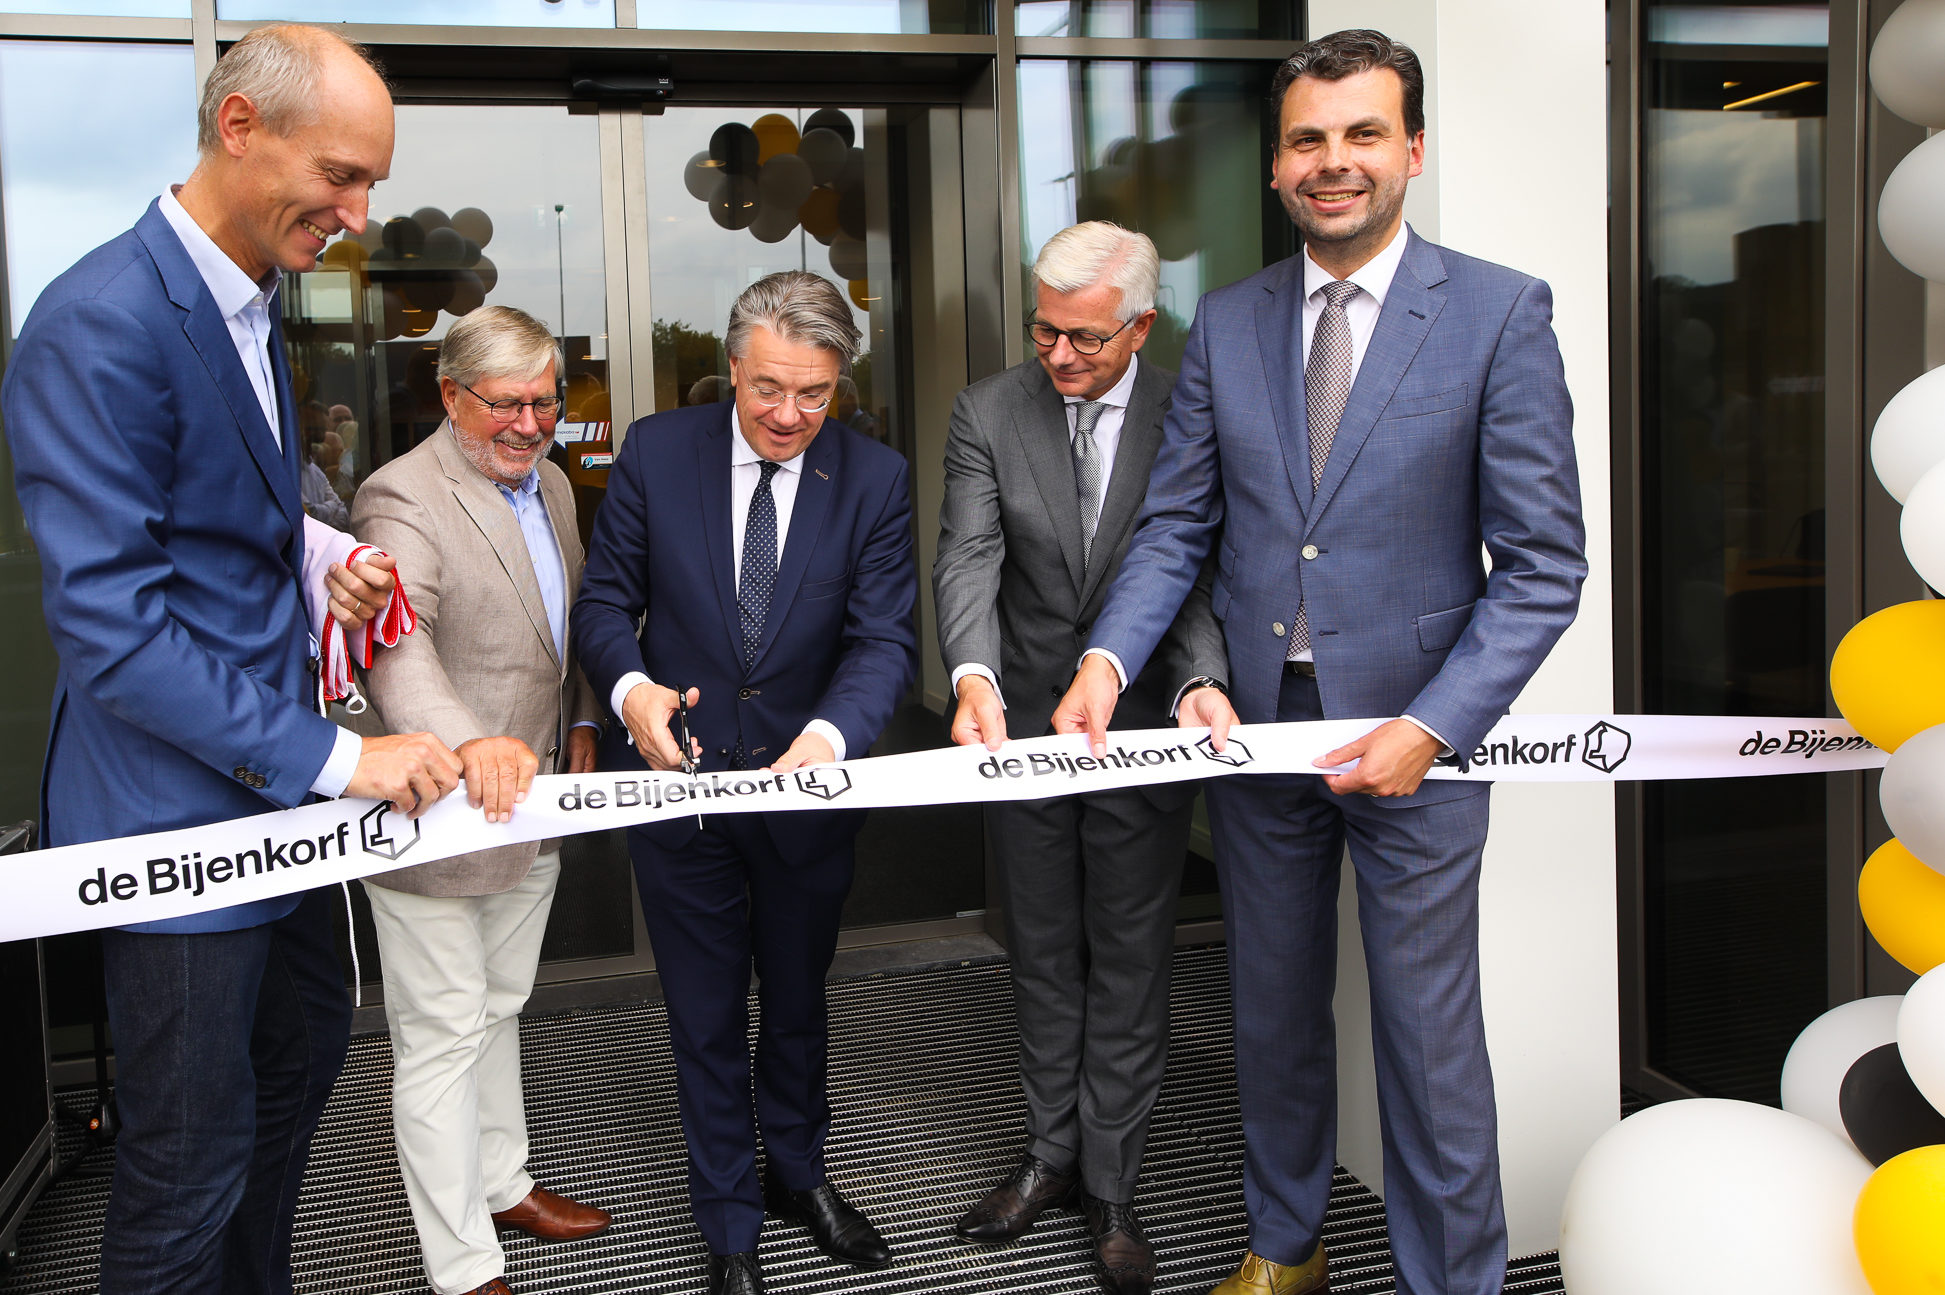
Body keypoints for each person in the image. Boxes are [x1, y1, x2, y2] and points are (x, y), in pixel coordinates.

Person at [1055, 30, 1587, 1295]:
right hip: (1256, 735)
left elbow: (1544, 564)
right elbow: (1181, 522)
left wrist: (1438, 724)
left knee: (1426, 1042)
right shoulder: (1227, 322)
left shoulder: (1499, 311)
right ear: (1278, 164)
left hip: (1414, 742)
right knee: (1273, 1022)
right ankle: (1284, 1248)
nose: (1331, 161)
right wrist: (1107, 658)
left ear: (1410, 149)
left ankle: (1448, 1281)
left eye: (1359, 134)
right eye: (1307, 138)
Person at [1, 23, 466, 1294]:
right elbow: (113, 629)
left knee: (296, 1077)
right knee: (186, 1165)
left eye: (370, 181)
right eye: (343, 174)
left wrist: (319, 556)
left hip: (280, 810)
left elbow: (222, 512)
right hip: (179, 832)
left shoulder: (251, 300)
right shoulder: (95, 322)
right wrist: (346, 755)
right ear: (240, 128)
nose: (360, 213)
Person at [572, 270, 917, 1295]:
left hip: (805, 793)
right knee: (706, 1011)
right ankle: (728, 1221)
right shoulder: (653, 452)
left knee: (801, 1000)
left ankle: (800, 1176)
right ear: (729, 366)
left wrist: (828, 735)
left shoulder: (873, 476)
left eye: (815, 394)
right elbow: (603, 602)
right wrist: (630, 692)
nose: (788, 415)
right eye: (768, 387)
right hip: (680, 791)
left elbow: (884, 638)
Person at [933, 220, 1226, 1295]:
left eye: (1086, 340)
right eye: (1045, 332)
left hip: (1144, 723)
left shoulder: (1189, 410)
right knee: (1045, 949)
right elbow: (968, 553)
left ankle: (1114, 1182)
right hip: (1022, 734)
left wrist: (1194, 678)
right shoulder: (989, 410)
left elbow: (1193, 562)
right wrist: (974, 677)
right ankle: (1048, 1153)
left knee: (1132, 956)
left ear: (1140, 325)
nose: (1059, 357)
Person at [350, 306, 610, 1295]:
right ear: (452, 396)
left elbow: (563, 623)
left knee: (500, 1004)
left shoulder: (549, 482)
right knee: (442, 1033)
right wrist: (470, 742)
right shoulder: (400, 497)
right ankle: (460, 1264)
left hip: (532, 794)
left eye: (544, 400)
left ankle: (504, 1183)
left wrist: (582, 711)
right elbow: (392, 643)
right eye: (506, 402)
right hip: (439, 808)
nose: (531, 420)